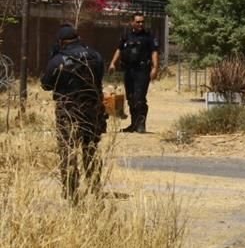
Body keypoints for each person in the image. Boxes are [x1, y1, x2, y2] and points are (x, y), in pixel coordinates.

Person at [40, 25, 106, 203]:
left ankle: (70, 190)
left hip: (68, 111)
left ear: (61, 41)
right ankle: (94, 185)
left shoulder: (58, 59)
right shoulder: (95, 56)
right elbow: (99, 79)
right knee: (90, 148)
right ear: (78, 37)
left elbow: (46, 84)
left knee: (67, 150)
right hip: (92, 109)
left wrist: (53, 58)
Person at [108, 12, 160, 133]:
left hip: (142, 70)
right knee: (131, 98)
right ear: (132, 22)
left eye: (142, 22)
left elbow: (154, 52)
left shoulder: (149, 36)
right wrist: (112, 63)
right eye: (138, 22)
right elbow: (119, 49)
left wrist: (155, 68)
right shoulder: (126, 35)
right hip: (129, 70)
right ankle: (134, 124)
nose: (140, 24)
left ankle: (141, 125)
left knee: (140, 98)